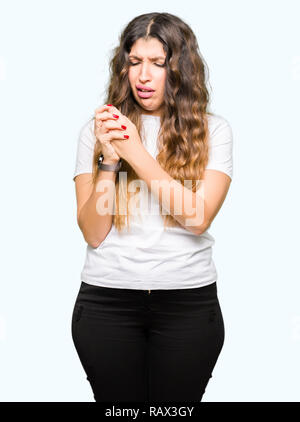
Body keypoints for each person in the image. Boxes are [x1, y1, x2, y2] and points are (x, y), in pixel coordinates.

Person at [71, 12, 233, 403]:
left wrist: (136, 153)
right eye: (134, 62)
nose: (143, 76)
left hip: (187, 303)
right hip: (106, 301)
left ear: (180, 70)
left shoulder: (214, 132)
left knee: (172, 412)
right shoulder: (98, 131)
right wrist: (109, 161)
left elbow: (197, 217)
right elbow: (94, 232)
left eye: (158, 64)